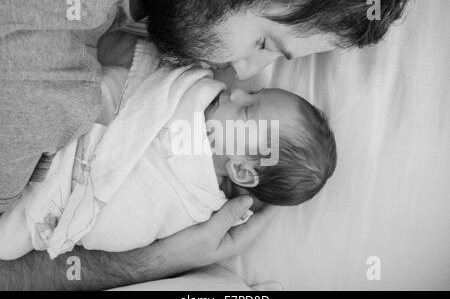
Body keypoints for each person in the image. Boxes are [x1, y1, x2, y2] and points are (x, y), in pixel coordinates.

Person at [0, 0, 420, 290]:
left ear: (242, 169)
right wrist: (151, 263)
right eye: (263, 42)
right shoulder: (46, 81)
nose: (241, 71)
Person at [0, 45, 336, 260]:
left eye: (247, 111)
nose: (237, 95)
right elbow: (151, 81)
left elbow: (129, 222)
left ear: (243, 171)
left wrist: (78, 211)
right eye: (253, 92)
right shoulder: (198, 89)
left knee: (9, 241)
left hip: (63, 191)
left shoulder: (192, 204)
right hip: (83, 112)